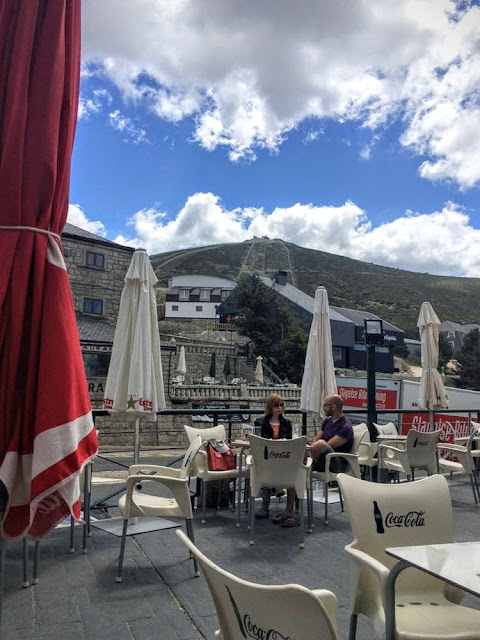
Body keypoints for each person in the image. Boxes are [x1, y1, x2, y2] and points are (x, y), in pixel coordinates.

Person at [253, 394, 298, 526]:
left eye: (281, 405)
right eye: (276, 405)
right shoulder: (260, 422)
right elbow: (259, 442)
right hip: (266, 457)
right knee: (268, 465)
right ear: (270, 407)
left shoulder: (286, 423)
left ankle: (271, 503)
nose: (279, 407)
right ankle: (273, 495)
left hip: (282, 456)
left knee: (290, 466)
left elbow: (289, 442)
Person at [309, 394, 354, 473]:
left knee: (321, 444)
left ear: (333, 407)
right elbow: (316, 440)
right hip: (322, 458)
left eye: (325, 405)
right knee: (302, 445)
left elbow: (328, 445)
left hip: (337, 463)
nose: (323, 408)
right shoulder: (327, 421)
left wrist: (312, 448)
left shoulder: (346, 427)